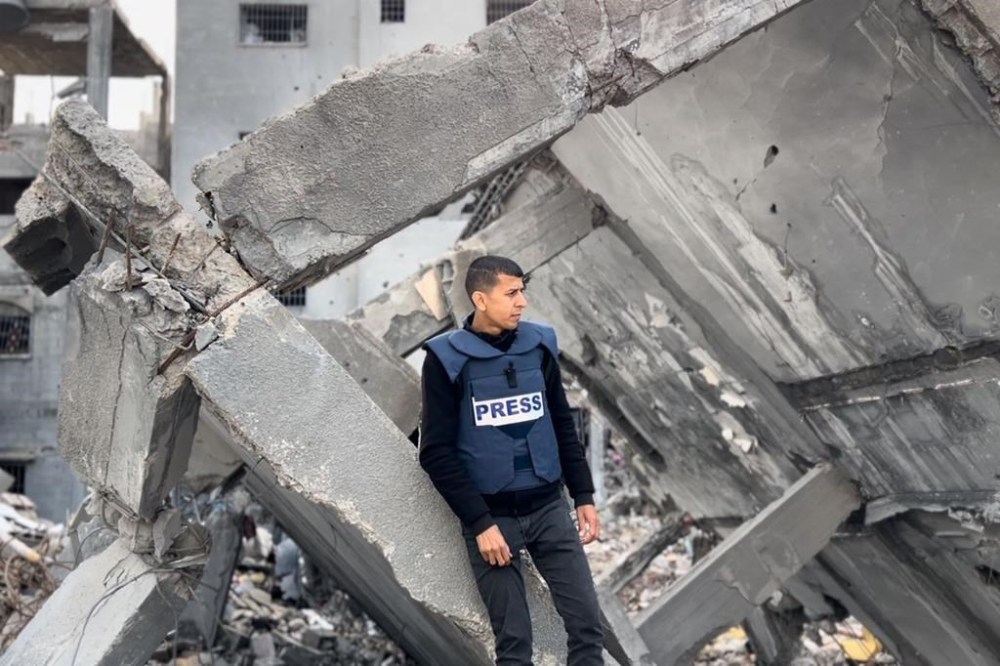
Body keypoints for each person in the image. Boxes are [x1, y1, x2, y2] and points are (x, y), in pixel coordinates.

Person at [419, 255, 604, 665]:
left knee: (588, 627)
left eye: (523, 291)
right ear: (480, 299)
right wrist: (481, 524)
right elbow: (435, 452)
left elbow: (560, 422)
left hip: (549, 508)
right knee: (515, 645)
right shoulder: (446, 360)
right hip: (493, 521)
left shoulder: (538, 346)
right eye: (511, 293)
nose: (522, 302)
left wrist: (584, 494)